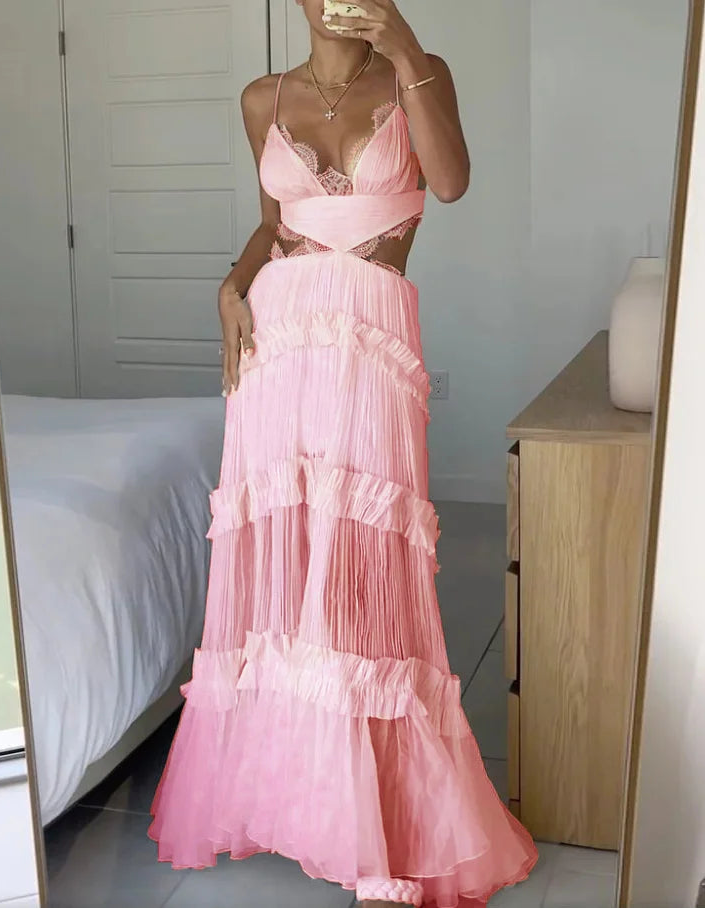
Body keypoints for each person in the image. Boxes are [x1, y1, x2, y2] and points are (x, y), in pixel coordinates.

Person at [148, 1, 537, 905]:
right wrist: (232, 282)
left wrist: (402, 45)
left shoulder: (415, 69)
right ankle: (288, 798)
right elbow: (273, 222)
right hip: (276, 339)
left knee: (361, 557)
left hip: (371, 329)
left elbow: (450, 183)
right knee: (283, 559)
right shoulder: (262, 97)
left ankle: (378, 818)